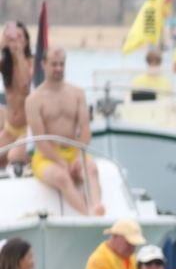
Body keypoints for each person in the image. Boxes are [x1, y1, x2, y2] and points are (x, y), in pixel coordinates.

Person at [25, 49, 106, 216]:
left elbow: (85, 130)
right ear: (43, 64)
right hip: (46, 155)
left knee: (91, 169)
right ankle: (88, 215)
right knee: (61, 177)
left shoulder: (77, 93)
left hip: (74, 150)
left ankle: (97, 207)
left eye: (61, 64)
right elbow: (40, 140)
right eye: (54, 64)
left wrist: (78, 156)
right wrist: (60, 161)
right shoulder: (34, 100)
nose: (58, 68)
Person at [0, 21, 32, 168]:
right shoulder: (5, 64)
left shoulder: (31, 62)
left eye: (20, 37)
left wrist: (18, 53)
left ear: (26, 40)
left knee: (14, 156)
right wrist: (2, 45)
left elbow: (25, 85)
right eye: (13, 37)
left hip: (28, 128)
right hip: (10, 128)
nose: (16, 40)